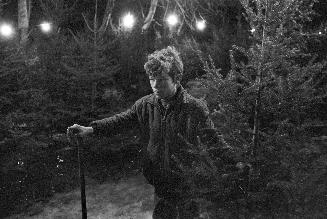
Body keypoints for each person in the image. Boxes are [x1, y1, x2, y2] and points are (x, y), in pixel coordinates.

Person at [67, 46, 215, 218]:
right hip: (161, 187)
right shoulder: (145, 105)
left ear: (177, 78)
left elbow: (213, 141)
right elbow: (120, 121)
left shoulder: (194, 108)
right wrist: (91, 129)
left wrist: (235, 167)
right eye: (151, 79)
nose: (155, 85)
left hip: (188, 189)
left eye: (161, 80)